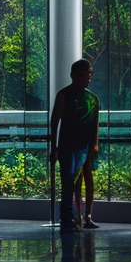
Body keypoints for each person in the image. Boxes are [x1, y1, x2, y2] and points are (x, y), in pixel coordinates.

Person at [49, 58, 101, 230]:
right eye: (79, 75)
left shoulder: (92, 99)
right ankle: (70, 216)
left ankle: (85, 216)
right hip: (68, 145)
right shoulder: (64, 95)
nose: (83, 78)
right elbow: (55, 120)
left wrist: (94, 146)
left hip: (84, 146)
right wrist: (54, 147)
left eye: (85, 75)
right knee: (70, 181)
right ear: (72, 76)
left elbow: (95, 124)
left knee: (85, 180)